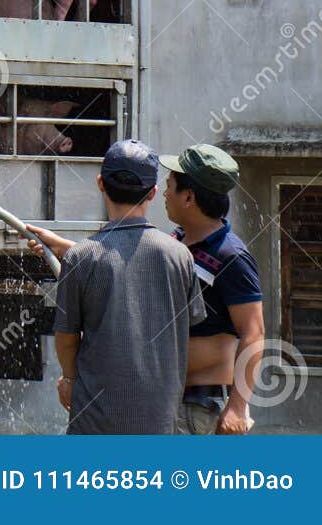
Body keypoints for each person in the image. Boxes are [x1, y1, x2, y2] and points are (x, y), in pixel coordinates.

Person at [32, 140, 204, 434]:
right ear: (152, 192)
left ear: (100, 184)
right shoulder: (179, 256)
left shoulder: (81, 258)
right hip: (160, 423)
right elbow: (188, 326)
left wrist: (70, 381)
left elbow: (67, 338)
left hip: (95, 425)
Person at [162, 144, 264, 435]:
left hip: (201, 409)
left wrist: (238, 406)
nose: (165, 194)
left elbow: (254, 333)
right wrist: (65, 249)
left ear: (189, 197)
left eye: (169, 186)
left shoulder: (231, 257)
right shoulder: (177, 241)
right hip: (169, 401)